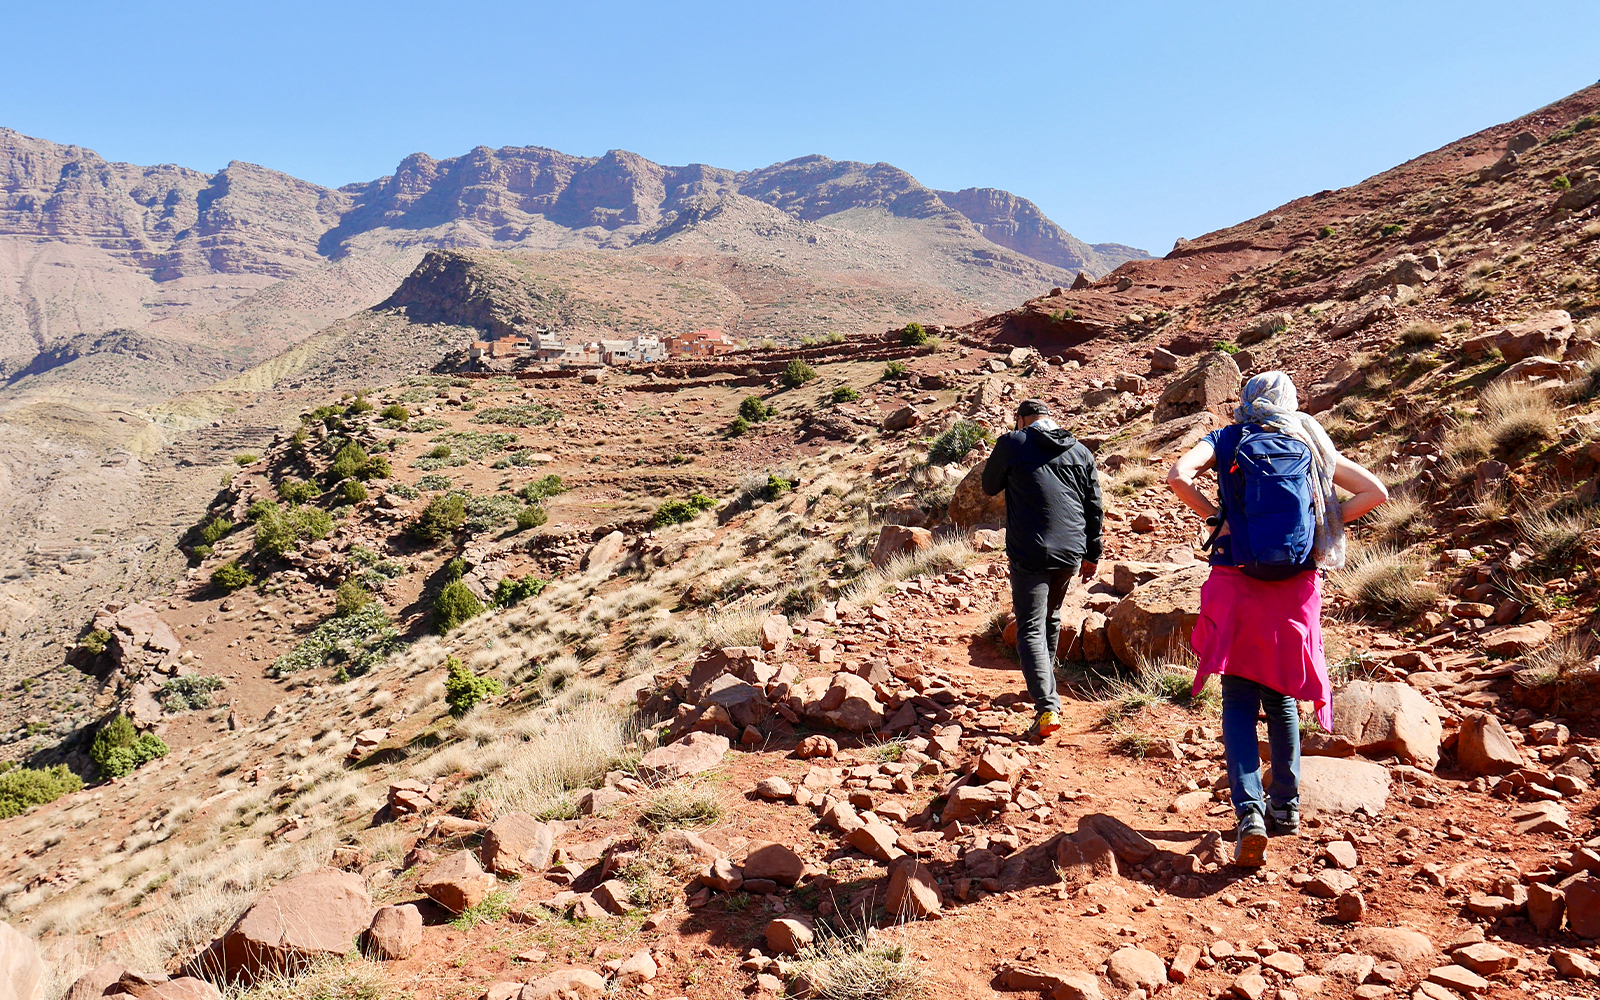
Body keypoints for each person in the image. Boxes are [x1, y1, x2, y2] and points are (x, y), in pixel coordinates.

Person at [1166, 371, 1388, 867]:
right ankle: (1285, 808)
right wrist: (1323, 523)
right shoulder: (1306, 440)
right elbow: (1376, 493)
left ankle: (1249, 813)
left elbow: (1178, 476)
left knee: (1240, 699)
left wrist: (1214, 517)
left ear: (1246, 401)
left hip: (1236, 579)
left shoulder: (1226, 439)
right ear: (1290, 400)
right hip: (1296, 585)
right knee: (1283, 694)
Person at [982, 398, 1104, 740]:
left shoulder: (1013, 442)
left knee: (1031, 627)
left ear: (1022, 420)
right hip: (1071, 552)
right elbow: (1094, 505)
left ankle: (1047, 707)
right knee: (1050, 617)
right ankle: (1044, 685)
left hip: (1030, 552)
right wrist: (1093, 552)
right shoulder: (1079, 450)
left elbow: (989, 486)